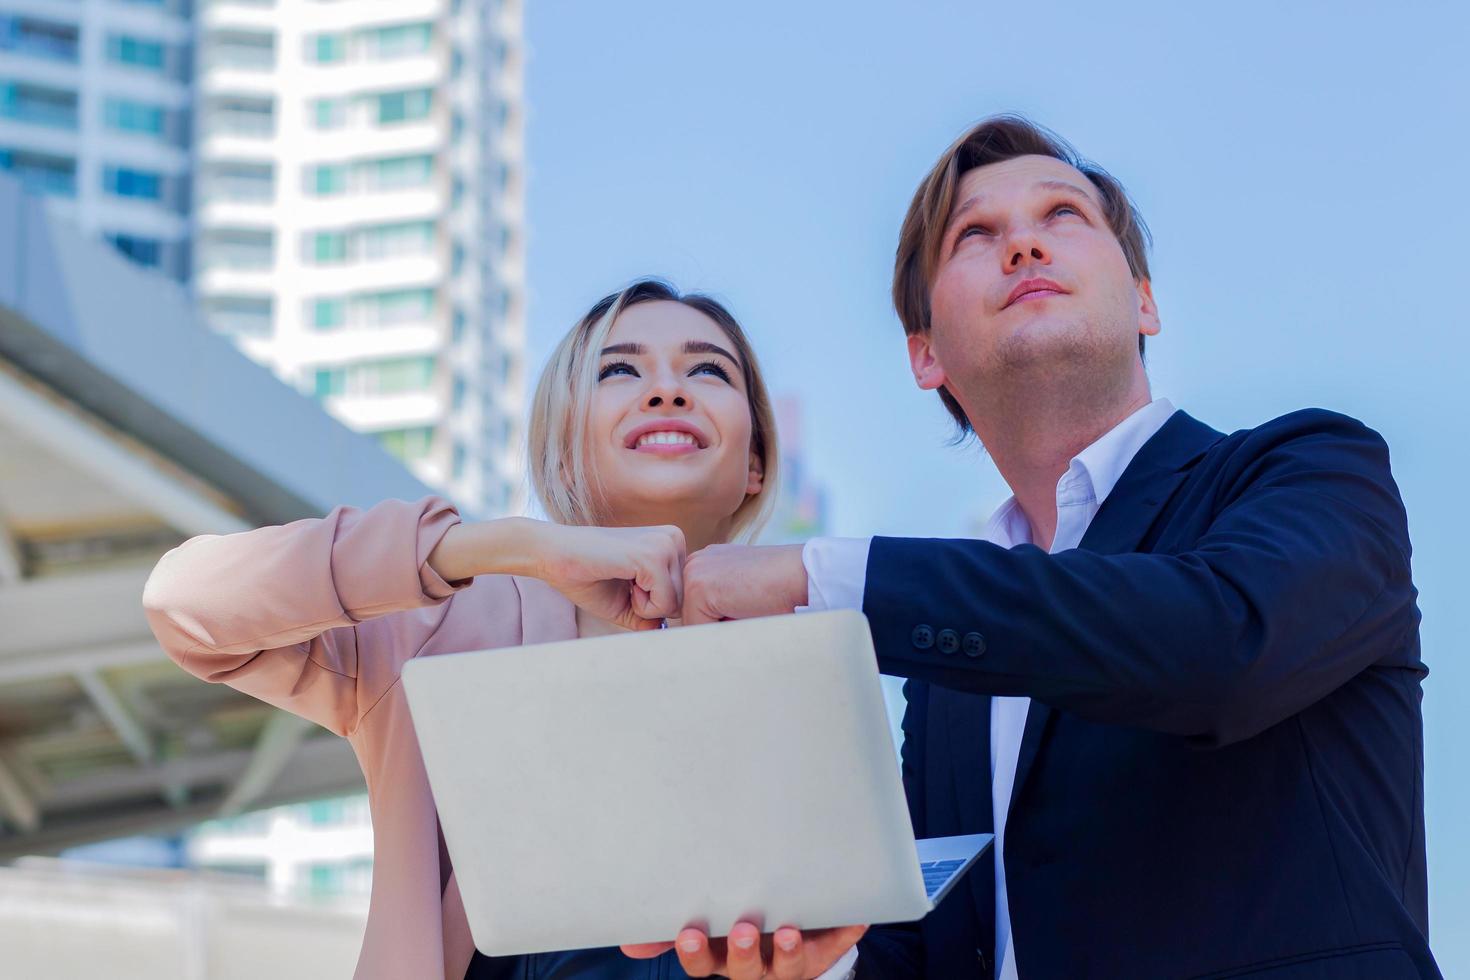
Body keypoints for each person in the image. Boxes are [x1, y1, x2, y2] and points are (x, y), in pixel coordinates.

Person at [624, 116, 1442, 979]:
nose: (1023, 245)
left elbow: (1218, 645)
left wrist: (816, 574)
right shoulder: (943, 674)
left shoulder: (1311, 469)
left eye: (1063, 215)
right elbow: (927, 945)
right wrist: (812, 966)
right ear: (926, 354)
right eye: (976, 233)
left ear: (1146, 301)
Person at [144, 279, 858, 979]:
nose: (668, 391)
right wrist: (508, 547)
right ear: (562, 442)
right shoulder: (438, 627)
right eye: (619, 370)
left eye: (707, 369)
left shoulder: (809, 670)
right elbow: (185, 605)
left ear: (757, 464)